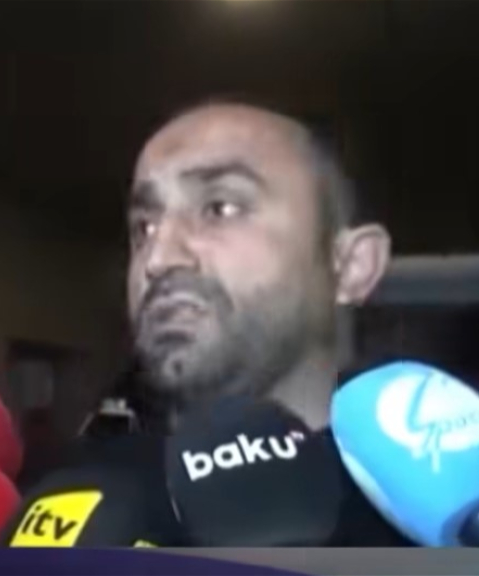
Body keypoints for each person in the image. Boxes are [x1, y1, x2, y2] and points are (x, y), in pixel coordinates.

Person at [122, 101, 410, 545]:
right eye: (144, 227)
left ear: (351, 266)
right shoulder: (85, 505)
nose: (157, 259)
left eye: (220, 208)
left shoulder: (450, 523)